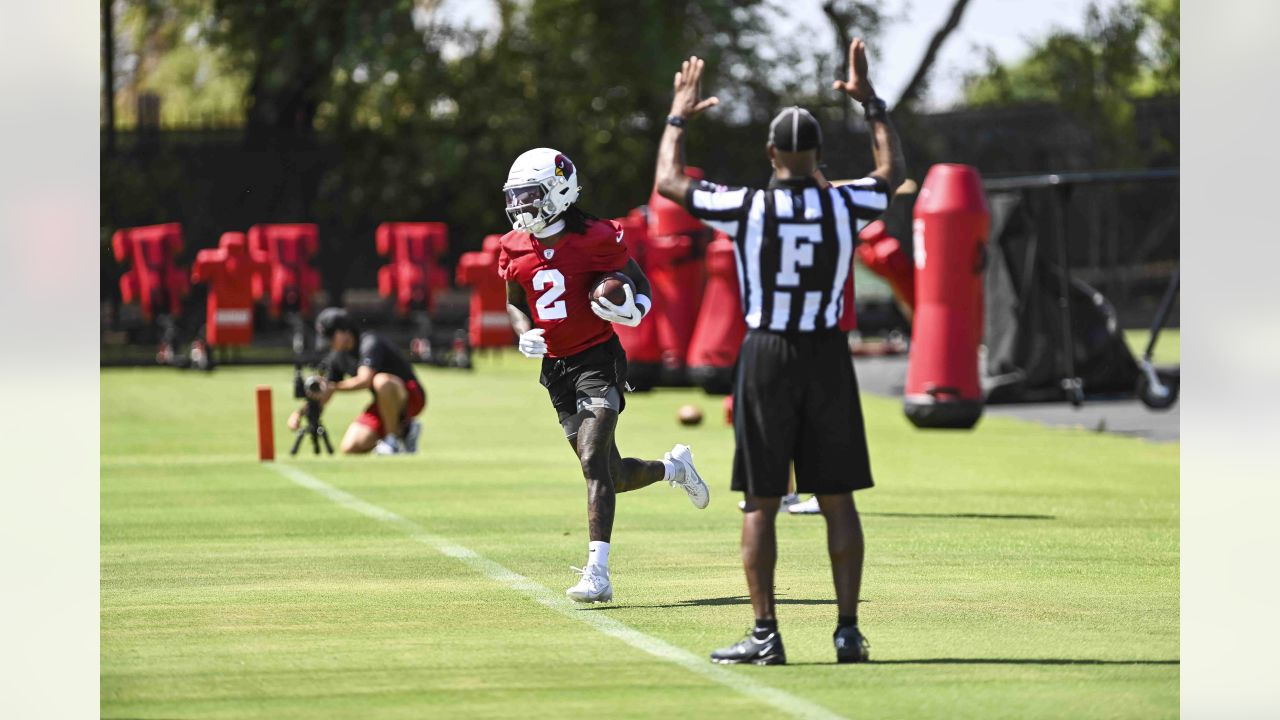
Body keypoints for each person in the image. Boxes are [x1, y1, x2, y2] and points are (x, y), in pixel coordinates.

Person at [653, 39, 906, 664]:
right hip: (827, 353)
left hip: (767, 354)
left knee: (761, 501)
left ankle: (766, 635)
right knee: (838, 496)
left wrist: (679, 115)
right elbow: (891, 175)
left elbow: (667, 182)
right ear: (818, 155)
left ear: (771, 153)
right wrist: (870, 100)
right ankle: (848, 632)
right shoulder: (845, 202)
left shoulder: (748, 206)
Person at [498, 147, 711, 603]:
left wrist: (636, 309)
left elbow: (637, 281)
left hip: (598, 359)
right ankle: (674, 467)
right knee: (612, 475)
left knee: (593, 462)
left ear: (559, 191)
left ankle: (598, 573)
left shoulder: (596, 236)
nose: (520, 207)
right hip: (556, 369)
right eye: (514, 197)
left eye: (529, 195)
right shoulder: (513, 245)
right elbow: (516, 300)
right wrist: (523, 332)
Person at [289, 307, 426, 455]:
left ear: (345, 331)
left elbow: (365, 380)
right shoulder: (337, 357)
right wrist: (299, 413)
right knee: (351, 446)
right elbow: (325, 391)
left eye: (331, 336)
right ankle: (406, 430)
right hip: (384, 403)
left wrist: (334, 387)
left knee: (381, 381)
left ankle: (392, 441)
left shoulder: (370, 343)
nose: (329, 342)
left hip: (410, 396)